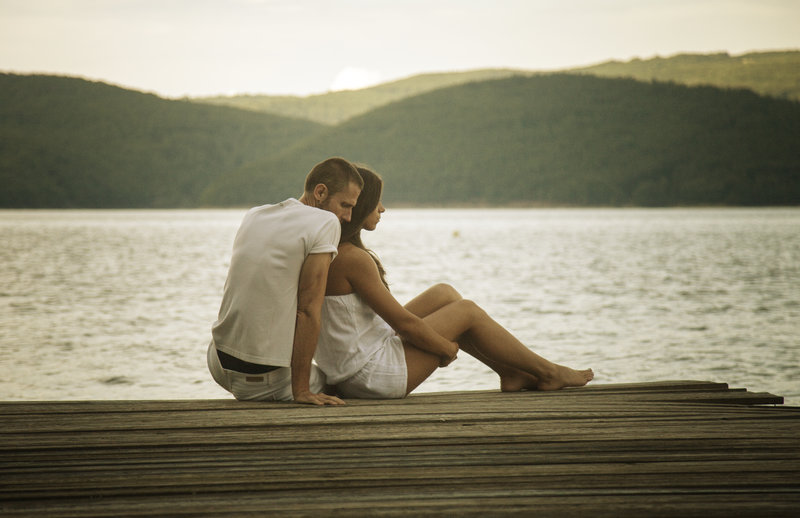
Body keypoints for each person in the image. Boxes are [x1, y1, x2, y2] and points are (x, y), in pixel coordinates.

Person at [314, 166, 594, 399]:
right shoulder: (353, 259)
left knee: (444, 293)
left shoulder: (334, 248)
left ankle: (509, 372)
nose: (383, 208)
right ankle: (548, 372)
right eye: (377, 201)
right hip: (371, 377)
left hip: (353, 365)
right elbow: (405, 325)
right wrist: (444, 348)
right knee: (466, 312)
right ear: (360, 205)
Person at [207, 157, 363, 405]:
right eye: (345, 205)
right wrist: (301, 391)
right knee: (344, 382)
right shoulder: (326, 222)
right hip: (263, 380)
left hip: (218, 363)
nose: (348, 216)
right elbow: (308, 309)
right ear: (320, 192)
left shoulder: (255, 215)